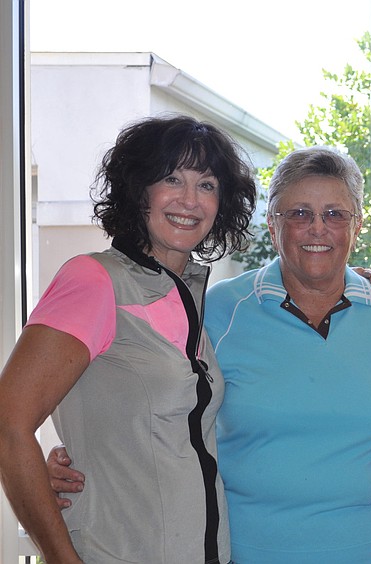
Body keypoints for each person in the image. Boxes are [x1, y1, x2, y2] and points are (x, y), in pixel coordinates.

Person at [0, 114, 257, 563]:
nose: (189, 200)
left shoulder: (191, 295)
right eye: (172, 178)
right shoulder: (95, 279)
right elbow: (8, 425)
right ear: (140, 189)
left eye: (207, 184)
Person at [202, 145, 371, 563]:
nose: (317, 229)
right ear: (273, 225)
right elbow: (170, 423)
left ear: (357, 225)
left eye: (334, 214)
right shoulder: (219, 312)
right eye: (299, 214)